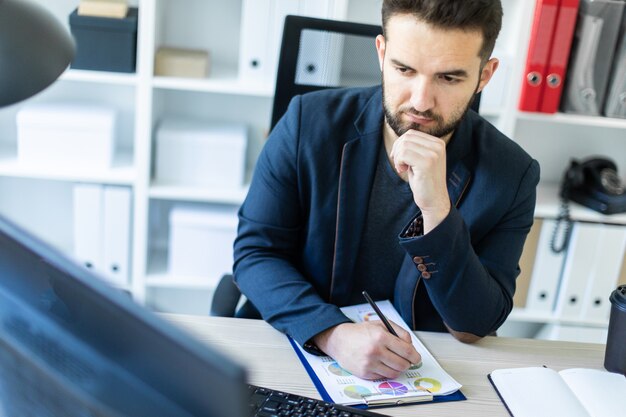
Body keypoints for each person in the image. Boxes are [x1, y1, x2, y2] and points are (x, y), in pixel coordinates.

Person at [233, 0, 540, 380]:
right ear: (381, 53)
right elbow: (255, 253)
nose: (421, 101)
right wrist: (332, 334)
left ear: (485, 75)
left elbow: (474, 324)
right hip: (297, 351)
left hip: (415, 375)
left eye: (449, 78)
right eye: (404, 69)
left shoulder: (513, 174)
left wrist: (437, 212)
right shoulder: (305, 123)